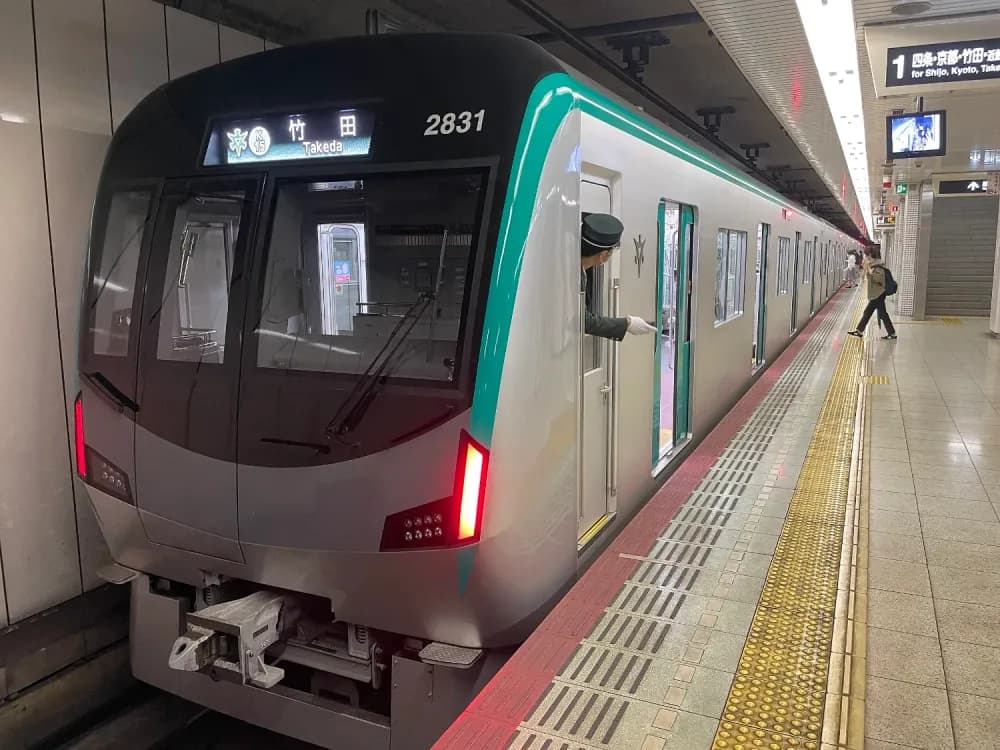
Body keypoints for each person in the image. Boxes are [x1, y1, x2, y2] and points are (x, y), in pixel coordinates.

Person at [580, 214, 657, 340]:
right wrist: (627, 323)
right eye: (612, 252)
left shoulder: (580, 270)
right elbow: (584, 321)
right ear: (603, 255)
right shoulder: (573, 276)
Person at [848, 246, 896, 340]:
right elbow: (863, 277)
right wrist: (866, 268)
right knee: (871, 312)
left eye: (866, 255)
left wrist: (869, 270)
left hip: (878, 293)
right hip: (875, 293)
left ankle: (892, 333)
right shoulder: (872, 264)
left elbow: (878, 278)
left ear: (870, 255)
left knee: (880, 313)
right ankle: (859, 331)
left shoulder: (878, 265)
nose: (865, 256)